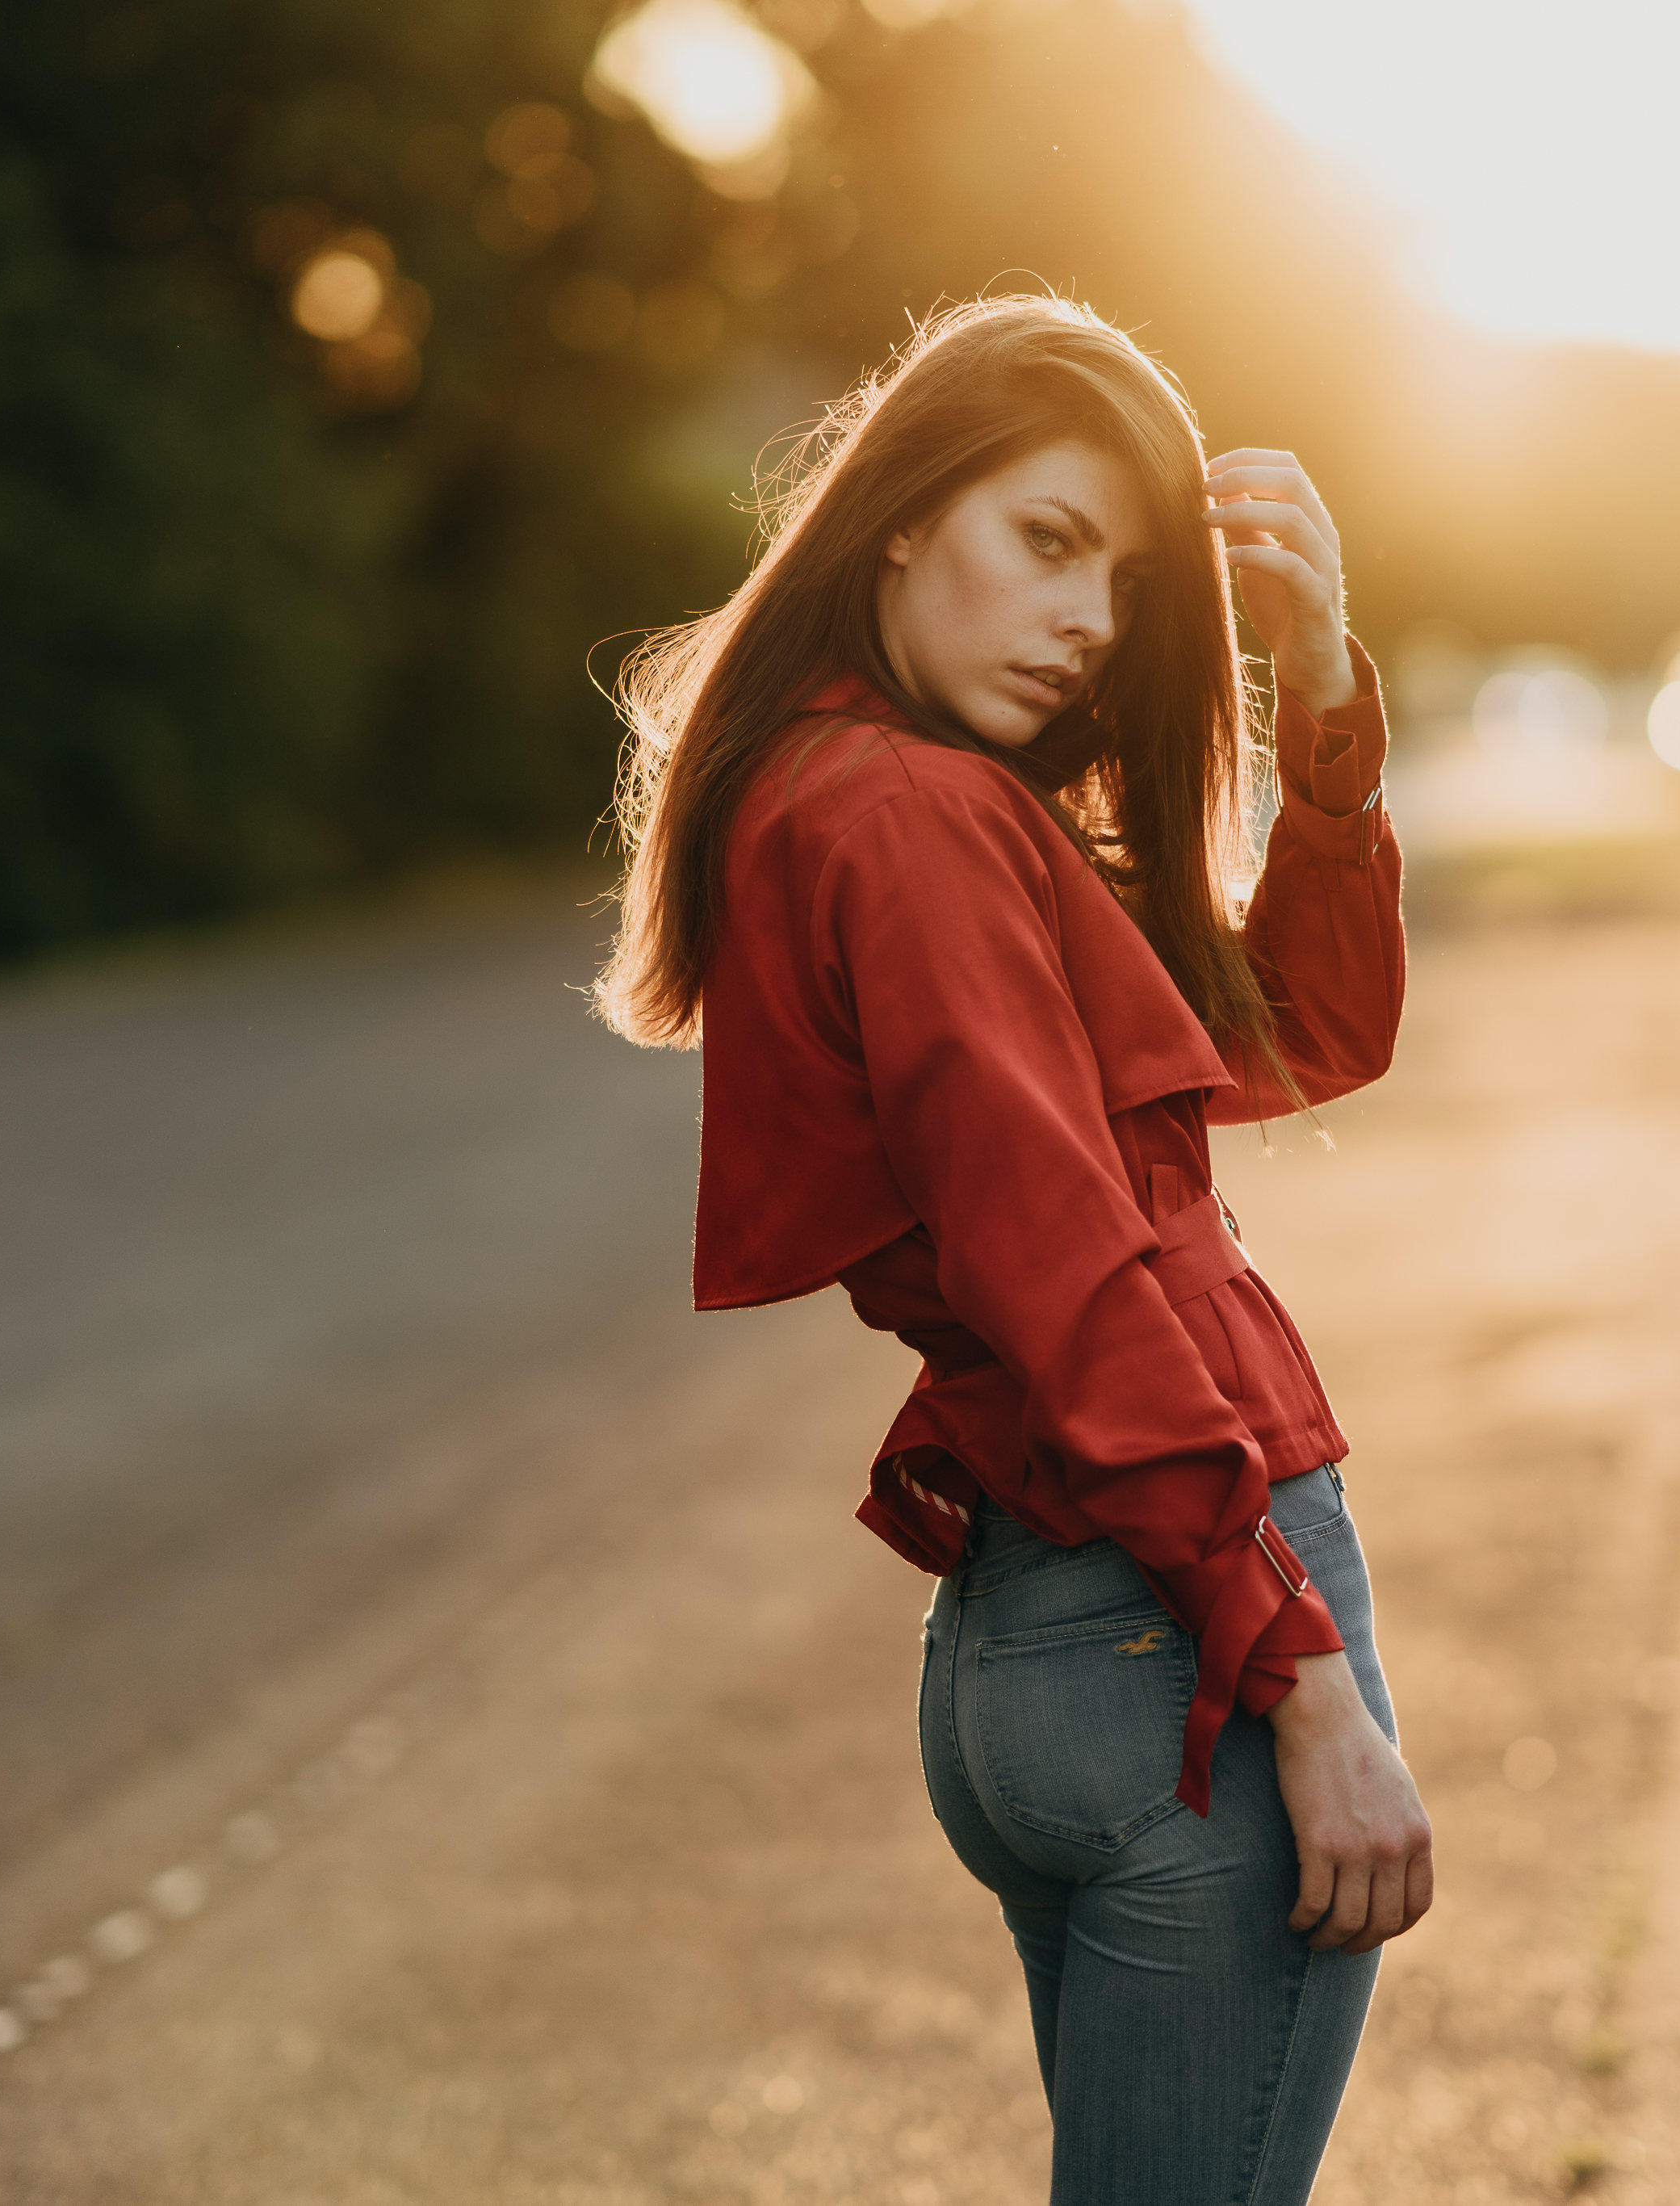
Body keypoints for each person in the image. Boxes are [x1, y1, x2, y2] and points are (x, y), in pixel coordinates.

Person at [597, 294, 1431, 2204]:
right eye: (1046, 541)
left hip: (1044, 1640)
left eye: (1128, 583)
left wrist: (1311, 683)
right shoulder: (904, 814)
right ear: (901, 512)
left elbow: (1302, 1023)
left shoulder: (866, 794)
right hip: (1179, 1637)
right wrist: (1304, 1685)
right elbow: (1065, 1266)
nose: (1087, 624)